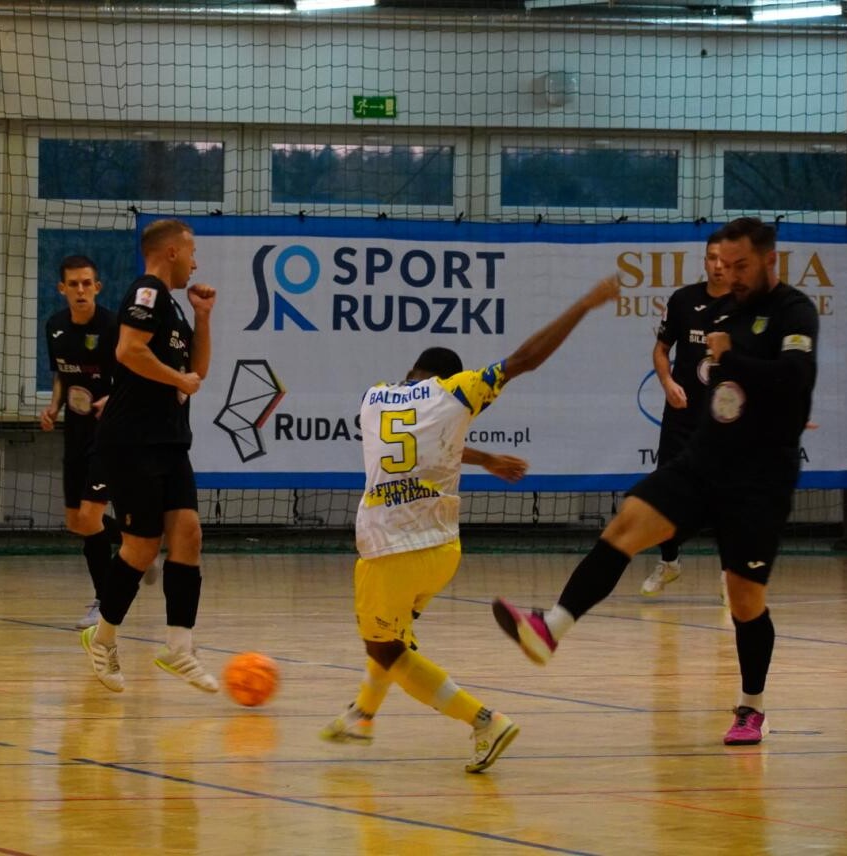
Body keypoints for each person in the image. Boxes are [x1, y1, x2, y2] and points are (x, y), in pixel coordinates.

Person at [493, 217, 818, 746]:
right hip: (704, 459)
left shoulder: (793, 311)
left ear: (769, 262)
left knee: (744, 601)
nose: (729, 274)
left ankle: (751, 707)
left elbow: (795, 377)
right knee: (626, 524)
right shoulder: (718, 312)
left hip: (759, 479)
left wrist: (732, 361)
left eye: (740, 266)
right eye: (723, 264)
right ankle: (552, 626)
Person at [320, 274, 621, 774]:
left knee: (384, 645)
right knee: (394, 636)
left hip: (387, 547)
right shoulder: (457, 393)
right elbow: (523, 361)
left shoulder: (372, 398)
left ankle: (485, 720)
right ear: (446, 378)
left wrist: (481, 458)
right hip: (441, 551)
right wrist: (584, 304)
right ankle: (363, 715)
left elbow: (416, 442)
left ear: (411, 371)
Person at [80, 219, 218, 693]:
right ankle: (102, 639)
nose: (197, 262)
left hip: (169, 439)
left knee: (190, 535)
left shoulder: (175, 307)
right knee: (140, 548)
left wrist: (202, 316)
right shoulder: (147, 293)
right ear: (174, 251)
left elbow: (197, 370)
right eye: (193, 251)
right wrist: (179, 382)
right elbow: (128, 351)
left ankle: (179, 648)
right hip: (132, 438)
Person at [639, 231, 731, 602]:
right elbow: (661, 350)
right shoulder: (683, 301)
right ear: (705, 261)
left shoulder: (747, 307)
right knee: (667, 492)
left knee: (727, 497)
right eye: (712, 258)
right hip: (681, 417)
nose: (718, 265)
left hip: (726, 421)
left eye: (725, 259)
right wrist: (666, 382)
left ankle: (731, 574)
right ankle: (670, 561)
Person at [40, 255, 119, 630]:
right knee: (78, 522)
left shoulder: (113, 327)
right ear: (63, 289)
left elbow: (132, 376)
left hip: (110, 435)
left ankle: (105, 603)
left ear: (97, 287)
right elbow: (62, 375)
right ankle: (139, 542)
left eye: (87, 283)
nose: (81, 290)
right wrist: (54, 405)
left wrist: (112, 399)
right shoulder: (55, 326)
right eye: (74, 284)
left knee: (89, 518)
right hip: (75, 433)